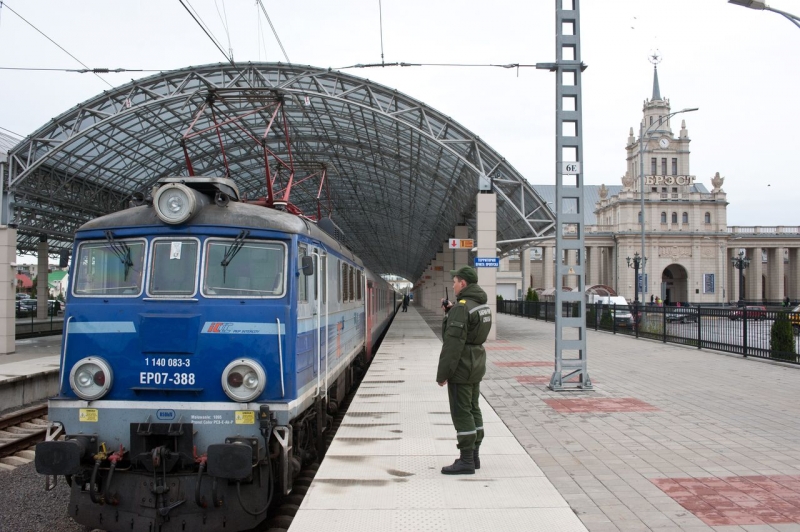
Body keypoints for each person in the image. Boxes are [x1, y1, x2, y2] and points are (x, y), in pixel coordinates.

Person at [437, 266, 492, 475]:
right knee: (473, 408)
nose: (453, 284)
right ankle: (475, 456)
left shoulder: (462, 307)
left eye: (455, 281)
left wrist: (443, 374)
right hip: (476, 362)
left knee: (461, 411)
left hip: (462, 365)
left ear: (464, 284)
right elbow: (470, 329)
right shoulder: (481, 305)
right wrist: (451, 313)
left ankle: (466, 460)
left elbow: (453, 344)